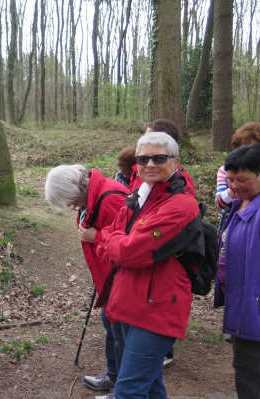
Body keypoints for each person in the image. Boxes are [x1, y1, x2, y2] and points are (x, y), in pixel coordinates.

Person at [95, 132, 203, 399]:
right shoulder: (141, 196)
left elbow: (130, 251)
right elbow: (109, 238)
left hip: (157, 308)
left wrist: (116, 242)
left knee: (129, 391)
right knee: (151, 386)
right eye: (143, 158)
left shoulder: (179, 206)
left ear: (175, 162)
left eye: (159, 158)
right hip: (130, 300)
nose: (150, 164)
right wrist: (116, 242)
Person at [45, 165, 128, 399]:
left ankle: (122, 387)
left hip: (119, 276)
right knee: (109, 322)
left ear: (76, 188)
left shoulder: (110, 198)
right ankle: (114, 375)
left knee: (120, 331)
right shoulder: (89, 196)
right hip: (106, 274)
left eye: (69, 202)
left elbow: (129, 240)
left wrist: (97, 236)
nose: (71, 207)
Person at [215, 143, 260, 398]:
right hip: (241, 302)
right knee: (245, 367)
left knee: (251, 374)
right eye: (230, 180)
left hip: (255, 308)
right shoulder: (242, 203)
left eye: (242, 180)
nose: (233, 186)